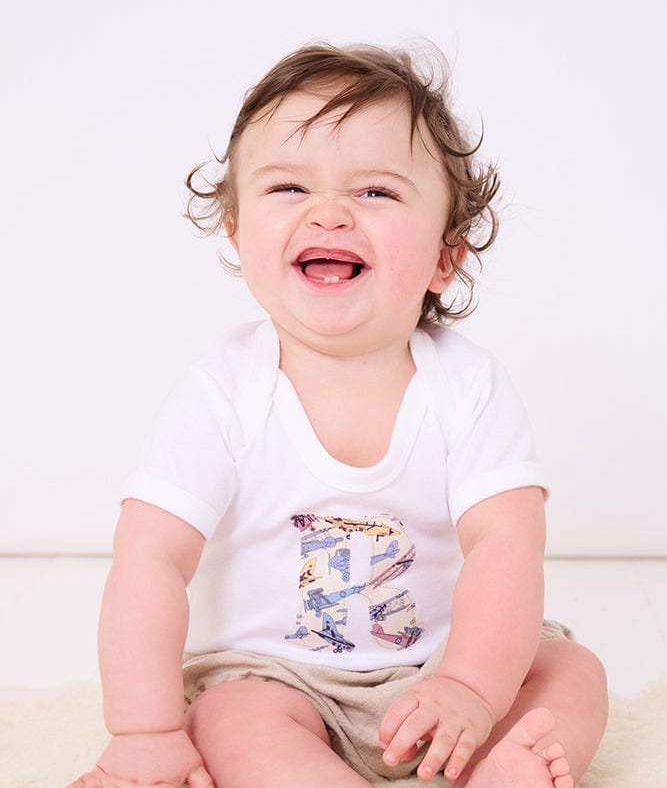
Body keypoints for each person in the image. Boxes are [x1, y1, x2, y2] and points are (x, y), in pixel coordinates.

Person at [69, 43, 608, 788]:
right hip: (280, 679)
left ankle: (489, 769)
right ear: (237, 233)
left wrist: (471, 688)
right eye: (289, 186)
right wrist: (146, 728)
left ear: (445, 257)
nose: (329, 212)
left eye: (377, 192)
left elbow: (506, 543)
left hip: (445, 664)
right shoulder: (223, 391)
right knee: (228, 719)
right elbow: (150, 557)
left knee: (569, 670)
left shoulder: (467, 386)